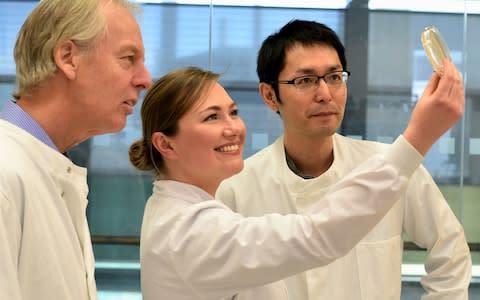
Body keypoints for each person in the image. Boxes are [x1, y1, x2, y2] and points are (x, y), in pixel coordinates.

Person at [129, 64, 463, 300]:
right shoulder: (192, 230)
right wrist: (417, 138)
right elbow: (317, 235)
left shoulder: (185, 209)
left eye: (233, 112)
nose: (233, 128)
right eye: (212, 117)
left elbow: (450, 253)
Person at [216, 19, 471, 299]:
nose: (325, 94)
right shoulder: (235, 189)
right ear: (269, 96)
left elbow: (451, 254)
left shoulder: (392, 166)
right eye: (306, 80)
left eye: (335, 77)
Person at [0, 0, 152, 299]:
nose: (145, 79)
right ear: (68, 58)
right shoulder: (6, 174)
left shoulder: (50, 169)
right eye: (128, 58)